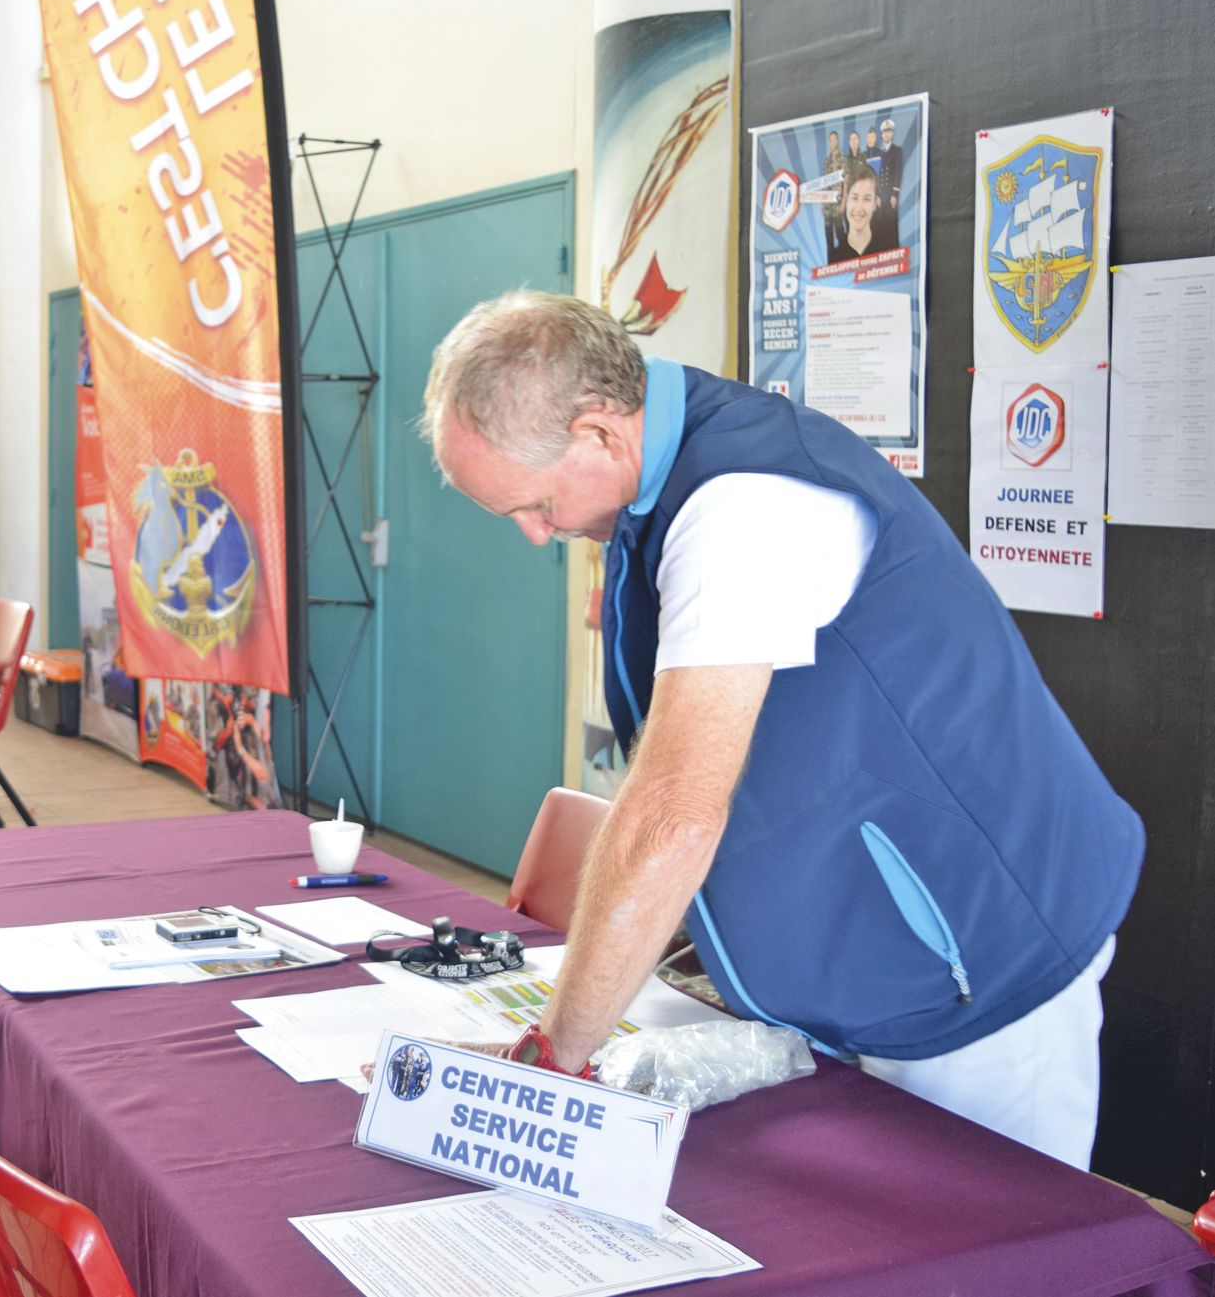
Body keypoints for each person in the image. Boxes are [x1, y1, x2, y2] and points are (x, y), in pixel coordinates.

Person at [421, 292, 1142, 1168]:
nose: (537, 535)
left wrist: (552, 1060)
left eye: (530, 505)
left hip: (981, 963)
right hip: (869, 976)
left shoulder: (745, 503)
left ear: (600, 433)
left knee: (1001, 1253)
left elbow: (673, 813)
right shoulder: (660, 489)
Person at [826, 164, 883, 263]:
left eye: (867, 199)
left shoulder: (888, 251)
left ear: (875, 203)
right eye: (855, 198)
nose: (859, 208)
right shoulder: (834, 257)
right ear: (846, 199)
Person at [820, 130, 846, 254]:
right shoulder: (827, 160)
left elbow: (846, 182)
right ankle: (831, 257)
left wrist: (844, 202)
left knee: (840, 230)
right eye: (830, 140)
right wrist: (822, 201)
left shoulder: (842, 158)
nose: (833, 142)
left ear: (838, 140)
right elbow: (824, 182)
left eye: (835, 139)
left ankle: (845, 257)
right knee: (828, 230)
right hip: (827, 201)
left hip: (838, 200)